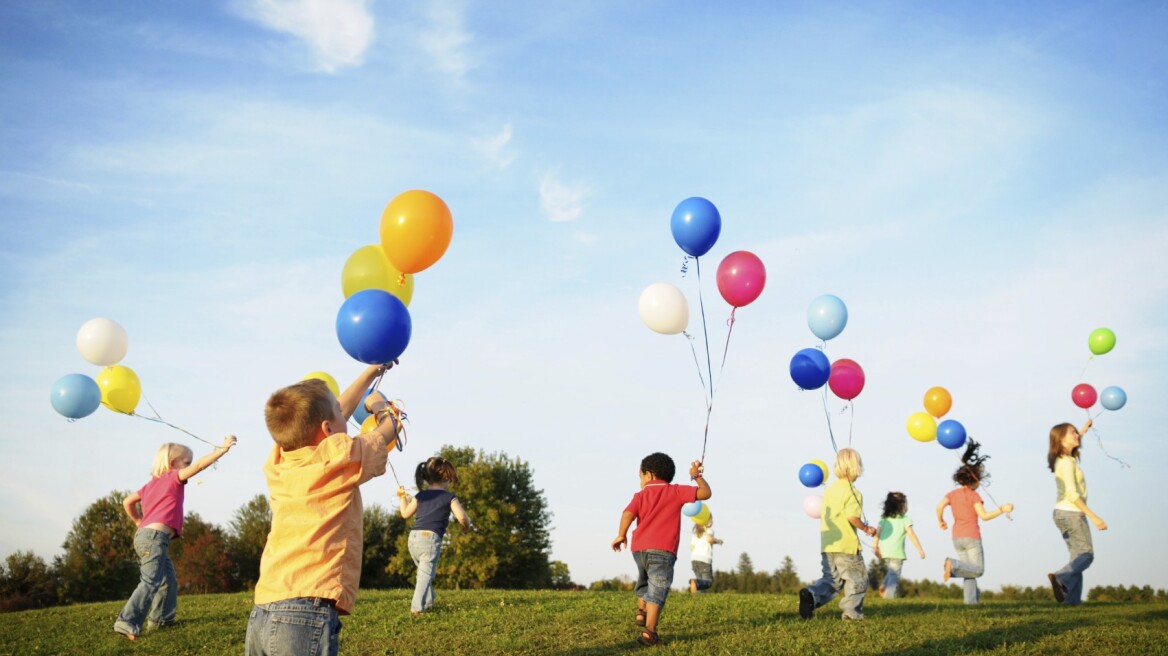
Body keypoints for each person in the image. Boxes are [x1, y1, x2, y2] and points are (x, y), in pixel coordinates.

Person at [245, 363, 402, 656]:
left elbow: (329, 416)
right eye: (339, 414)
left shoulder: (278, 460)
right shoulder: (339, 456)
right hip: (305, 613)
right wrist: (382, 408)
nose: (344, 415)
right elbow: (387, 431)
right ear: (328, 429)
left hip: (263, 610)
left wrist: (370, 372)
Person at [113, 436, 237, 640]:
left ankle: (162, 620)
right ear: (172, 464)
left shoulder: (150, 485)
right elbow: (199, 466)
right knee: (150, 581)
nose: (188, 467)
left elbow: (127, 501)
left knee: (168, 581)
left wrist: (138, 521)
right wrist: (222, 450)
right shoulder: (173, 477)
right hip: (154, 537)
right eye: (185, 462)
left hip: (148, 537)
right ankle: (127, 621)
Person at [612, 453, 711, 647]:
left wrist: (621, 534)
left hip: (639, 549)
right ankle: (650, 632)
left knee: (644, 579)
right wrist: (696, 476)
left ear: (648, 475)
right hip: (663, 550)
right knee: (658, 587)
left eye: (640, 477)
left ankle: (641, 611)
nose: (640, 482)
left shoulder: (640, 495)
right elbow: (705, 493)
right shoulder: (675, 491)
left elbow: (627, 513)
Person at [799, 448, 878, 621]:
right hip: (846, 546)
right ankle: (851, 613)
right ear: (857, 467)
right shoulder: (854, 492)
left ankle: (811, 595)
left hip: (828, 545)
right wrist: (866, 528)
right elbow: (852, 517)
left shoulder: (830, 490)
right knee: (857, 580)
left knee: (832, 580)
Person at [936, 439, 1014, 605]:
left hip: (957, 537)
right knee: (978, 570)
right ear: (974, 480)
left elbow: (939, 506)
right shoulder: (974, 495)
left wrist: (941, 520)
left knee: (969, 571)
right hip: (971, 537)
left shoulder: (952, 493)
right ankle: (952, 565)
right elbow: (984, 516)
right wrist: (1003, 509)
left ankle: (970, 603)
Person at [396, 455, 471, 617]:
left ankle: (430, 602)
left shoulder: (420, 496)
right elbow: (462, 517)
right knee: (425, 575)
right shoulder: (449, 497)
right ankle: (416, 608)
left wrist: (402, 497)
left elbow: (405, 514)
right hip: (429, 540)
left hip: (413, 539)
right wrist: (466, 526)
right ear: (446, 476)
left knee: (425, 572)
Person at [1047, 418, 1106, 605]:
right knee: (1086, 555)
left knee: (1076, 558)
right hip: (1072, 513)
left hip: (1062, 513)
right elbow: (1072, 495)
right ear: (1061, 439)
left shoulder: (1063, 459)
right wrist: (1094, 516)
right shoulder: (1067, 463)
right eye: (1071, 433)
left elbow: (1076, 437)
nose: (1076, 435)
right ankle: (1061, 577)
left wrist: (1083, 429)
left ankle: (1071, 602)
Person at [874, 491, 925, 599]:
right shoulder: (905, 520)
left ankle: (883, 585)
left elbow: (877, 534)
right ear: (902, 506)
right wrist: (920, 550)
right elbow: (912, 535)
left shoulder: (883, 519)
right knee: (894, 576)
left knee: (892, 571)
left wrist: (875, 547)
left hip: (885, 552)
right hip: (897, 553)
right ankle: (888, 598)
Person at [688, 521, 723, 593]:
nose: (712, 521)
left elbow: (691, 547)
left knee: (701, 583)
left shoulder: (695, 533)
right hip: (704, 560)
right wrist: (718, 541)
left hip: (694, 560)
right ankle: (695, 582)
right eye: (710, 519)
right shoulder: (709, 530)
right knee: (708, 582)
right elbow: (709, 539)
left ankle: (695, 599)